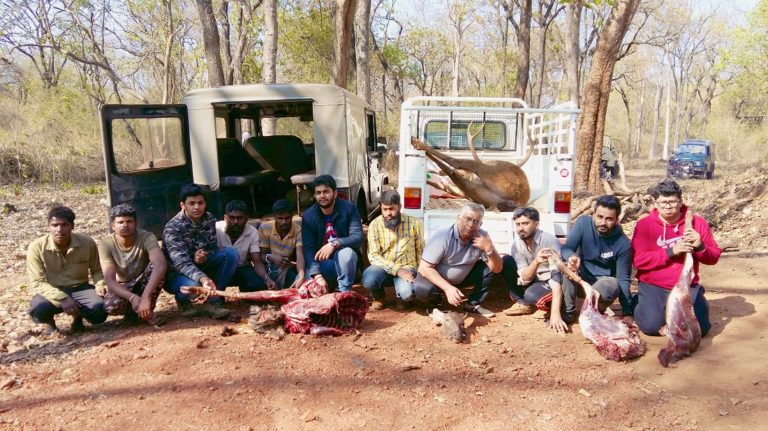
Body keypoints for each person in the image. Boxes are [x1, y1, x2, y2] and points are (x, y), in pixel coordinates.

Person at [631, 179, 719, 336]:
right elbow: (638, 261)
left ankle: (696, 297)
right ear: (655, 203)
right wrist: (671, 251)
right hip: (654, 285)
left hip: (686, 285)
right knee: (651, 327)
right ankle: (639, 302)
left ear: (680, 201)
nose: (668, 207)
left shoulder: (697, 223)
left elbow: (713, 258)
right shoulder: (644, 225)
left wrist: (700, 246)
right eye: (663, 202)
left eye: (672, 202)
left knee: (700, 330)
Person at [27, 206, 106, 336]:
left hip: (80, 288)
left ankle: (78, 318)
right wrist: (62, 297)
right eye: (55, 225)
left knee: (100, 311)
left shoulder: (87, 243)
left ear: (72, 226)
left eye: (64, 225)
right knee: (39, 310)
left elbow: (96, 270)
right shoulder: (36, 247)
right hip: (51, 291)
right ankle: (49, 323)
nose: (59, 230)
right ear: (48, 226)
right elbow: (37, 282)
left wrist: (100, 284)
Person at [414, 202, 503, 318]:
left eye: (476, 221)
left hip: (463, 279)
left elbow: (497, 269)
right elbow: (424, 268)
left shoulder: (482, 237)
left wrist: (489, 248)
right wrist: (448, 288)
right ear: (458, 218)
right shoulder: (443, 235)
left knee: (489, 267)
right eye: (468, 219)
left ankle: (473, 304)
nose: (471, 225)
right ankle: (434, 305)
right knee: (422, 289)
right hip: (436, 280)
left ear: (480, 224)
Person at [163, 184, 238, 318]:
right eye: (191, 203)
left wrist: (203, 256)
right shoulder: (173, 228)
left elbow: (212, 248)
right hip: (176, 274)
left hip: (202, 266)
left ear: (205, 203)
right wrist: (201, 275)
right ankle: (183, 301)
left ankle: (214, 301)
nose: (196, 207)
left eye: (200, 203)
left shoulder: (210, 219)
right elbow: (180, 263)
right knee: (194, 286)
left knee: (231, 254)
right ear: (182, 205)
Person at [560, 195, 633, 322]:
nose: (603, 222)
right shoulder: (583, 223)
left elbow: (623, 279)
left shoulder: (623, 244)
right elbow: (566, 248)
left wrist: (627, 312)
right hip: (580, 278)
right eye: (600, 217)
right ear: (594, 214)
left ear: (617, 219)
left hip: (601, 285)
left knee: (612, 283)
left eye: (609, 219)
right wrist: (572, 257)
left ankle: (593, 312)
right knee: (567, 268)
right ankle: (569, 312)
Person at [501, 207, 568, 332]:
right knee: (507, 261)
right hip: (534, 279)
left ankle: (552, 307)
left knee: (532, 296)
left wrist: (555, 313)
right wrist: (536, 261)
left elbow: (557, 277)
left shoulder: (549, 240)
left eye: (525, 223)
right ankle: (524, 304)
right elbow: (525, 277)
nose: (521, 228)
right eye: (518, 224)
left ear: (536, 224)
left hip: (551, 281)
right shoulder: (517, 246)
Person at [98, 204, 166, 325]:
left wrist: (146, 297)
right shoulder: (105, 244)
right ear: (112, 225)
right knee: (111, 306)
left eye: (129, 221)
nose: (125, 225)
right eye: (120, 222)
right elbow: (109, 280)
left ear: (135, 223)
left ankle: (147, 310)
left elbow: (160, 265)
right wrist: (132, 297)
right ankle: (133, 313)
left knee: (157, 266)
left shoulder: (146, 237)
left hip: (143, 281)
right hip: (123, 284)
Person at [362, 190, 424, 310]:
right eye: (385, 209)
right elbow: (374, 256)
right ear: (381, 207)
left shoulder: (415, 224)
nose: (388, 213)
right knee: (369, 279)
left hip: (407, 267)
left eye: (391, 209)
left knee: (407, 293)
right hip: (383, 267)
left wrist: (420, 275)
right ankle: (379, 297)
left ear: (399, 207)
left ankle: (403, 299)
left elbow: (420, 251)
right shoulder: (375, 225)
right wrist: (397, 270)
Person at [301, 175, 362, 292]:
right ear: (314, 195)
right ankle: (328, 283)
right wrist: (317, 276)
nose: (322, 196)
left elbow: (357, 237)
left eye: (326, 192)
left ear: (335, 193)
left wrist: (334, 243)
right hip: (322, 264)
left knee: (347, 254)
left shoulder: (349, 209)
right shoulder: (308, 216)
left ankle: (344, 292)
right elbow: (309, 248)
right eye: (318, 193)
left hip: (345, 262)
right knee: (311, 291)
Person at [215, 200, 271, 291]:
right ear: (225, 217)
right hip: (220, 269)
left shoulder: (252, 232)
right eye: (232, 218)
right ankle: (217, 294)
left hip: (242, 269)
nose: (236, 222)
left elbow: (256, 261)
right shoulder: (215, 228)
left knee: (260, 287)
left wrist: (267, 279)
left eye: (239, 218)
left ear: (246, 218)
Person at [258, 199, 305, 289]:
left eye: (287, 218)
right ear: (274, 217)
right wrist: (272, 257)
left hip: (287, 266)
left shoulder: (298, 230)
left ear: (292, 216)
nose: (283, 222)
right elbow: (260, 256)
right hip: (269, 266)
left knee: (298, 279)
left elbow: (300, 255)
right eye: (280, 218)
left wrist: (301, 275)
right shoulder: (265, 228)